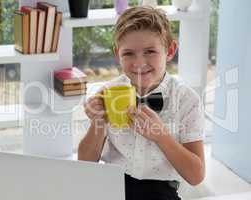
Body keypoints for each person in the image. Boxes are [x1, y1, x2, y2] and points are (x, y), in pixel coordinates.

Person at [78, 6, 205, 200]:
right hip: (111, 188)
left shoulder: (187, 100)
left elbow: (196, 176)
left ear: (170, 50)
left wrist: (162, 136)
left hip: (162, 193)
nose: (139, 63)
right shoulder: (106, 94)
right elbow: (85, 163)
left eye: (150, 51)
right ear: (117, 54)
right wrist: (99, 123)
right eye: (128, 54)